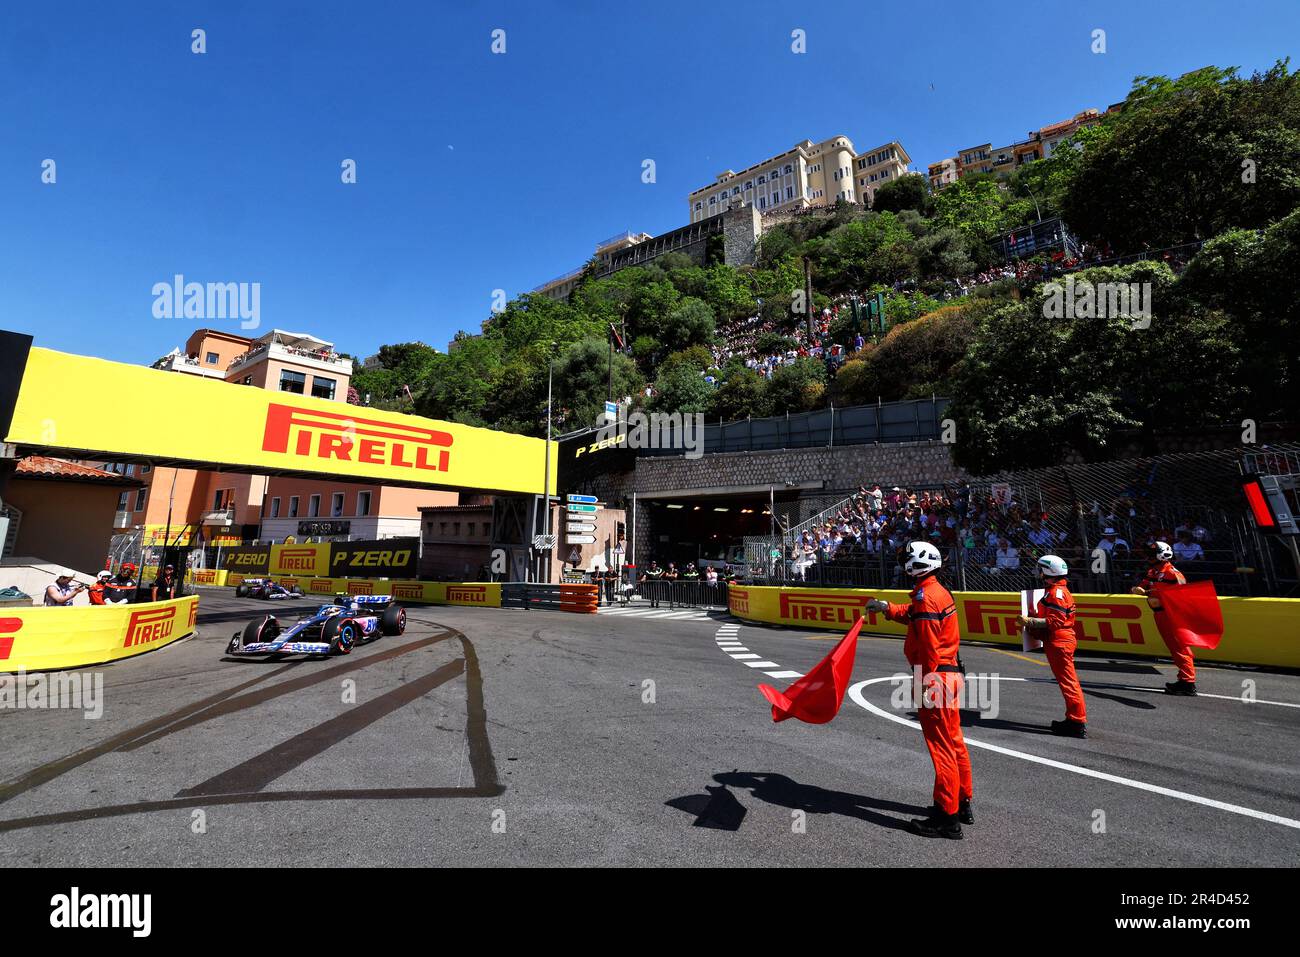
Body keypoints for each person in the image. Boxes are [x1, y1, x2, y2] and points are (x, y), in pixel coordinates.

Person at [866, 541, 973, 839]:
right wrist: (887, 608)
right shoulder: (935, 591)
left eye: (906, 558)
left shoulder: (926, 598)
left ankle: (946, 818)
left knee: (942, 748)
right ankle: (962, 802)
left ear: (917, 563)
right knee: (954, 742)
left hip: (935, 678)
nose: (903, 562)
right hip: (949, 675)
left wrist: (924, 682)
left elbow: (928, 647)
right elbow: (912, 614)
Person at [1018, 555, 1087, 738]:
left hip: (1059, 641)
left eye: (1040, 569)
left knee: (1069, 683)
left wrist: (1030, 621)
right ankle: (1074, 719)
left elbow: (1054, 622)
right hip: (1058, 640)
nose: (1038, 572)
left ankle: (1076, 721)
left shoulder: (1056, 593)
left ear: (1048, 571)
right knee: (1067, 682)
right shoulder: (1055, 590)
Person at [1131, 541, 1195, 696]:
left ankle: (1188, 682)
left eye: (1152, 554)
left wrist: (1148, 592)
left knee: (1179, 647)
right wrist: (1138, 589)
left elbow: (1182, 594)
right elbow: (1143, 585)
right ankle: (1183, 679)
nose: (1149, 557)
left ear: (1162, 554)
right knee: (1174, 647)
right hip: (1159, 614)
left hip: (1171, 615)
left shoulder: (1173, 573)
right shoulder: (1153, 571)